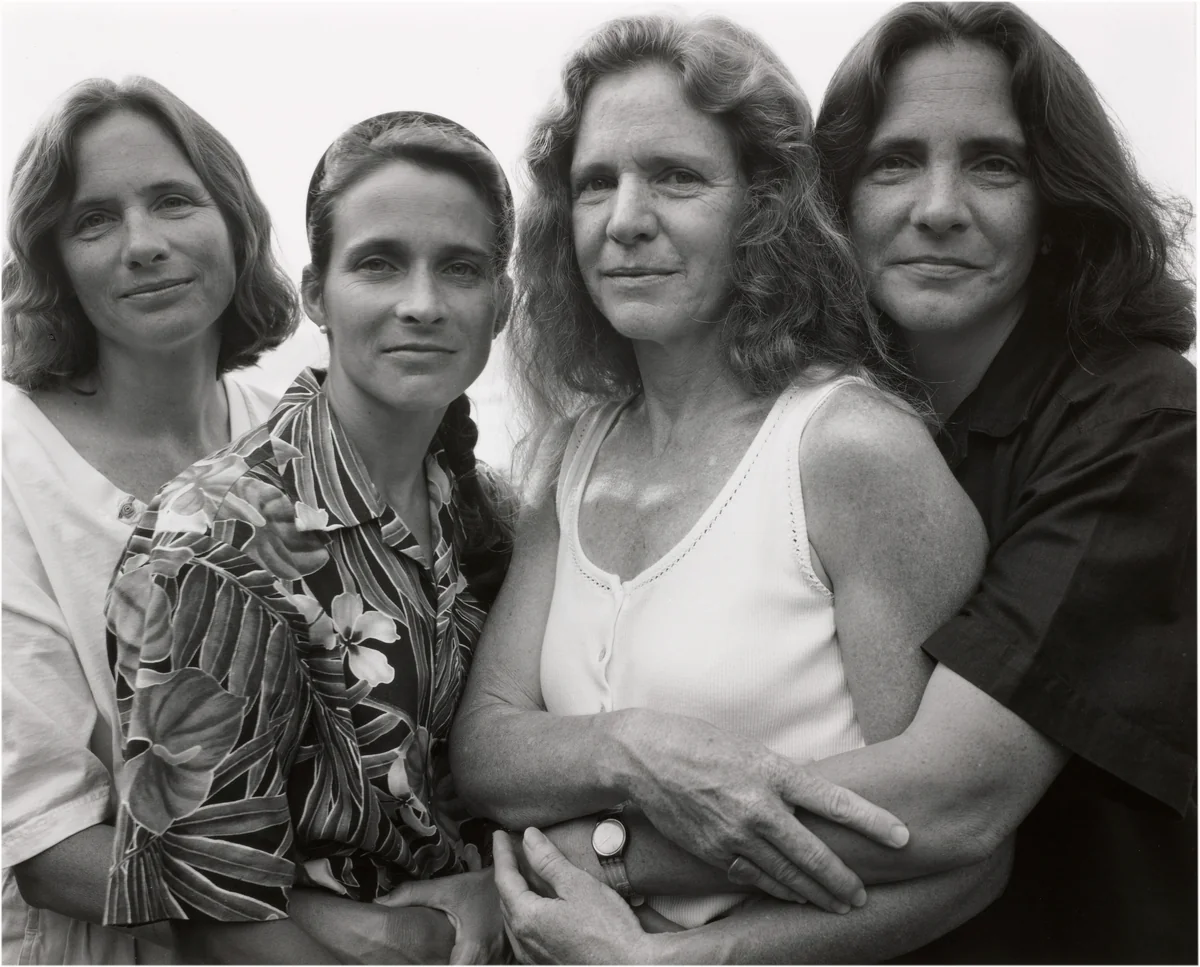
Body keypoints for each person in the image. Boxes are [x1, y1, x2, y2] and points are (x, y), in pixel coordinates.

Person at [453, 13, 1013, 963]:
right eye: (596, 183)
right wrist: (635, 748)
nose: (627, 218)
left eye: (676, 175)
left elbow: (961, 856)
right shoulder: (571, 455)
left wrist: (666, 961)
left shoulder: (848, 450)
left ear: (763, 208)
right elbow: (485, 751)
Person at [811, 2, 1196, 961]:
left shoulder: (1143, 421)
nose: (939, 206)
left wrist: (597, 842)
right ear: (833, 200)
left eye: (995, 162)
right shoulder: (808, 418)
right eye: (894, 161)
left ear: (1058, 202)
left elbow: (951, 799)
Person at [101, 110, 516, 964]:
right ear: (316, 293)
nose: (422, 303)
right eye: (379, 263)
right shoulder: (219, 539)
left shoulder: (490, 514)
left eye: (461, 268)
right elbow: (205, 910)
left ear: (503, 301)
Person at [2, 76, 298, 965]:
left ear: (236, 224)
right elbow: (47, 844)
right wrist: (314, 922)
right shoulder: (14, 458)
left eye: (174, 200)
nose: (143, 244)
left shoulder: (290, 428)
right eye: (94, 219)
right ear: (55, 262)